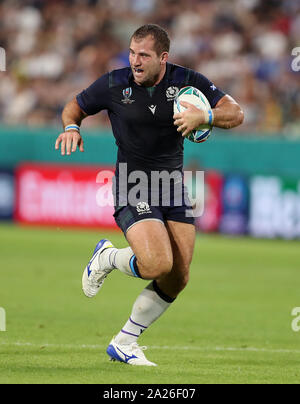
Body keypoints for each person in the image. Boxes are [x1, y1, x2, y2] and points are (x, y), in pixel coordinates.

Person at [55, 24, 244, 366]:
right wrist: (72, 126)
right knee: (158, 264)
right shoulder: (114, 83)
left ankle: (125, 341)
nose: (135, 61)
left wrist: (207, 115)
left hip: (172, 185)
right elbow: (75, 105)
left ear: (163, 58)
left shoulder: (188, 81)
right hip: (132, 183)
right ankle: (108, 258)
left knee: (179, 276)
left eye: (143, 55)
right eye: (132, 52)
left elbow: (237, 112)